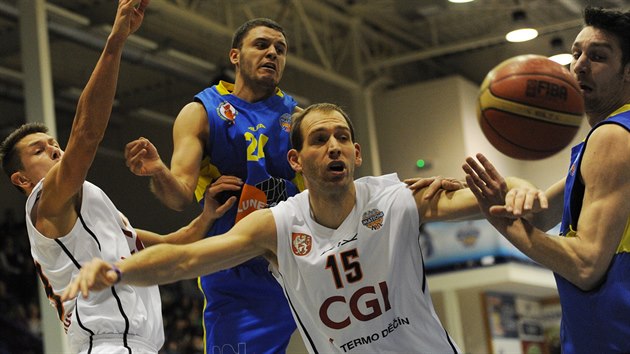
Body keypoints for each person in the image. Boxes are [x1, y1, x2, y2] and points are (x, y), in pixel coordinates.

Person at [64, 103, 538, 353]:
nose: (333, 147)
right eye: (319, 139)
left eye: (343, 138)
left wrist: (519, 188)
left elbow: (489, 194)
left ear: (356, 155)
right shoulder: (277, 225)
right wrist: (118, 270)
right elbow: (186, 259)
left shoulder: (396, 198)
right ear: (295, 160)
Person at [0, 1, 228, 352]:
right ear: (21, 180)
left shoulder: (94, 211)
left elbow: (175, 243)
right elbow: (86, 136)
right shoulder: (46, 202)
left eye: (54, 143)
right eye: (39, 151)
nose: (56, 150)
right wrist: (116, 39)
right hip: (108, 344)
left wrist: (208, 215)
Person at [123, 17, 304, 353]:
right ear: (235, 55)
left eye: (280, 49)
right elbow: (177, 196)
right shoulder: (202, 112)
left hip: (298, 263)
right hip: (234, 271)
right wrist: (159, 171)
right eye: (261, 45)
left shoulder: (298, 120)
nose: (272, 54)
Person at [463, 6, 630, 353]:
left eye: (597, 56)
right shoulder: (604, 140)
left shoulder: (614, 136)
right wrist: (471, 189)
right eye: (576, 53)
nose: (579, 65)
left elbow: (585, 265)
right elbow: (540, 214)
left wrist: (505, 223)